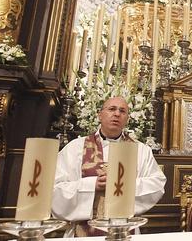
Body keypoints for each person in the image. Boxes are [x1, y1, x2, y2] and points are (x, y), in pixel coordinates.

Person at [52, 96, 166, 237]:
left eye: (122, 111)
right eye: (112, 109)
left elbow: (157, 184)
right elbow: (55, 188)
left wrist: (123, 184)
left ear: (127, 119)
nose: (117, 114)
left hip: (125, 229)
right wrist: (92, 184)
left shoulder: (141, 150)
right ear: (100, 115)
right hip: (83, 230)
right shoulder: (75, 148)